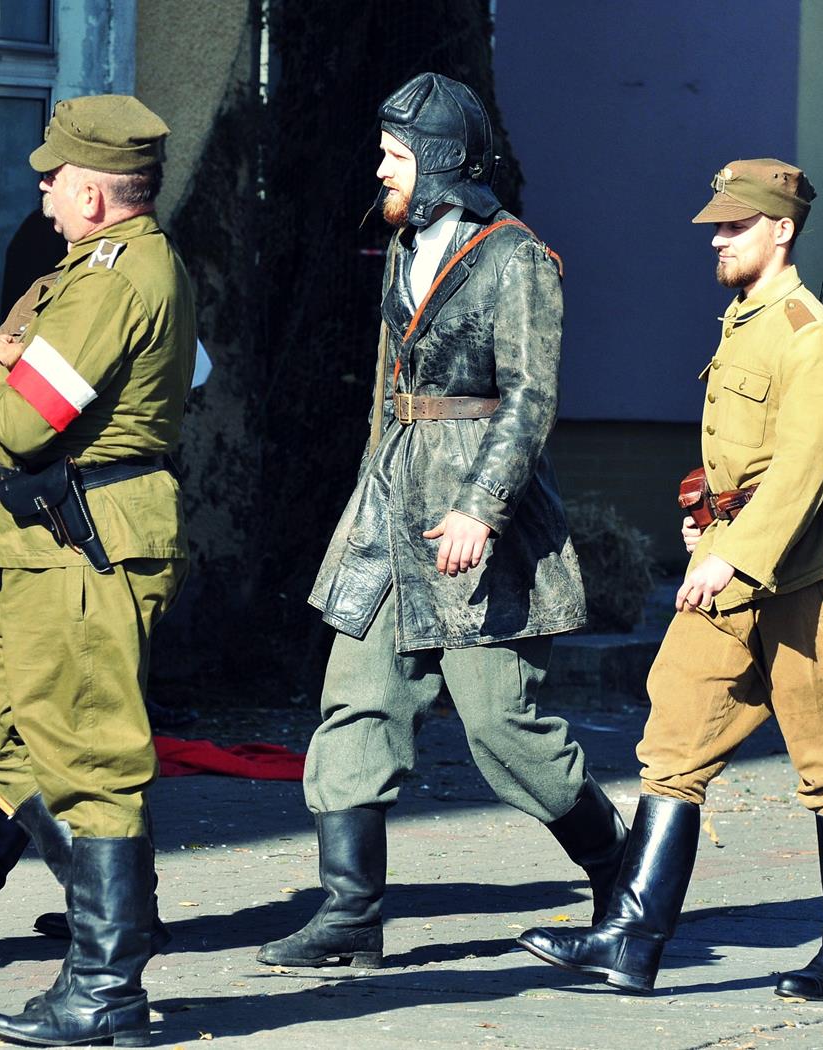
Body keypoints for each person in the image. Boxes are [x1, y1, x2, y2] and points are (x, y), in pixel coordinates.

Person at [257, 72, 627, 972]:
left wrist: (480, 507)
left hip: (477, 522)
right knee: (357, 701)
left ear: (440, 159)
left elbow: (531, 396)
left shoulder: (517, 257)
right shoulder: (402, 246)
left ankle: (627, 877)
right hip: (391, 510)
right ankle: (350, 914)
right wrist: (367, 499)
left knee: (501, 726)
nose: (381, 169)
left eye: (395, 154)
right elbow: (389, 391)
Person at [518, 159, 823, 998]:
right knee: (674, 738)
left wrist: (732, 553)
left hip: (800, 579)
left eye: (735, 224)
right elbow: (748, 459)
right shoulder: (746, 320)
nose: (717, 238)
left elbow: (804, 470)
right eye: (716, 224)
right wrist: (708, 521)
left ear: (781, 229)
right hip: (727, 563)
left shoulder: (807, 331)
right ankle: (630, 940)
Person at [0, 94, 195, 1048]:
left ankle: (104, 986)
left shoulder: (113, 280)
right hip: (52, 539)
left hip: (86, 547)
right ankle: (113, 927)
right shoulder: (102, 268)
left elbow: (19, 420)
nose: (45, 192)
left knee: (92, 759)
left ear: (93, 194)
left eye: (54, 178)